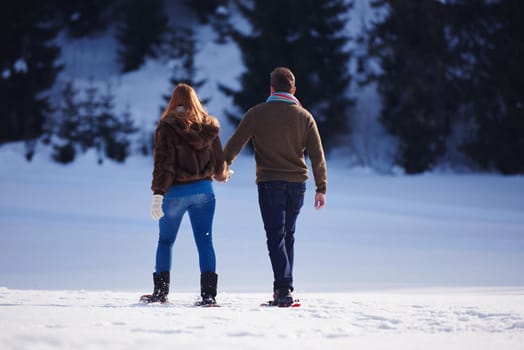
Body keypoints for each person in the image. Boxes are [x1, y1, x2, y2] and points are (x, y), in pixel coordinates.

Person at [223, 67, 327, 307]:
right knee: (287, 235)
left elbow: (235, 143)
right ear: (293, 89)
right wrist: (321, 187)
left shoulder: (257, 113)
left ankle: (283, 290)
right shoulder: (305, 116)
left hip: (270, 183)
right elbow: (317, 155)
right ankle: (284, 287)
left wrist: (224, 167)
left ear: (271, 89)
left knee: (276, 237)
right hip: (298, 185)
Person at [140, 83, 230, 306]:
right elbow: (220, 168)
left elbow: (163, 164)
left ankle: (160, 293)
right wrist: (224, 174)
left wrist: (157, 194)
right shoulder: (208, 127)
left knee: (166, 241)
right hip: (204, 193)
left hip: (175, 194)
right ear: (195, 101)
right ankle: (208, 296)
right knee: (205, 242)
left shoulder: (166, 127)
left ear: (173, 101)